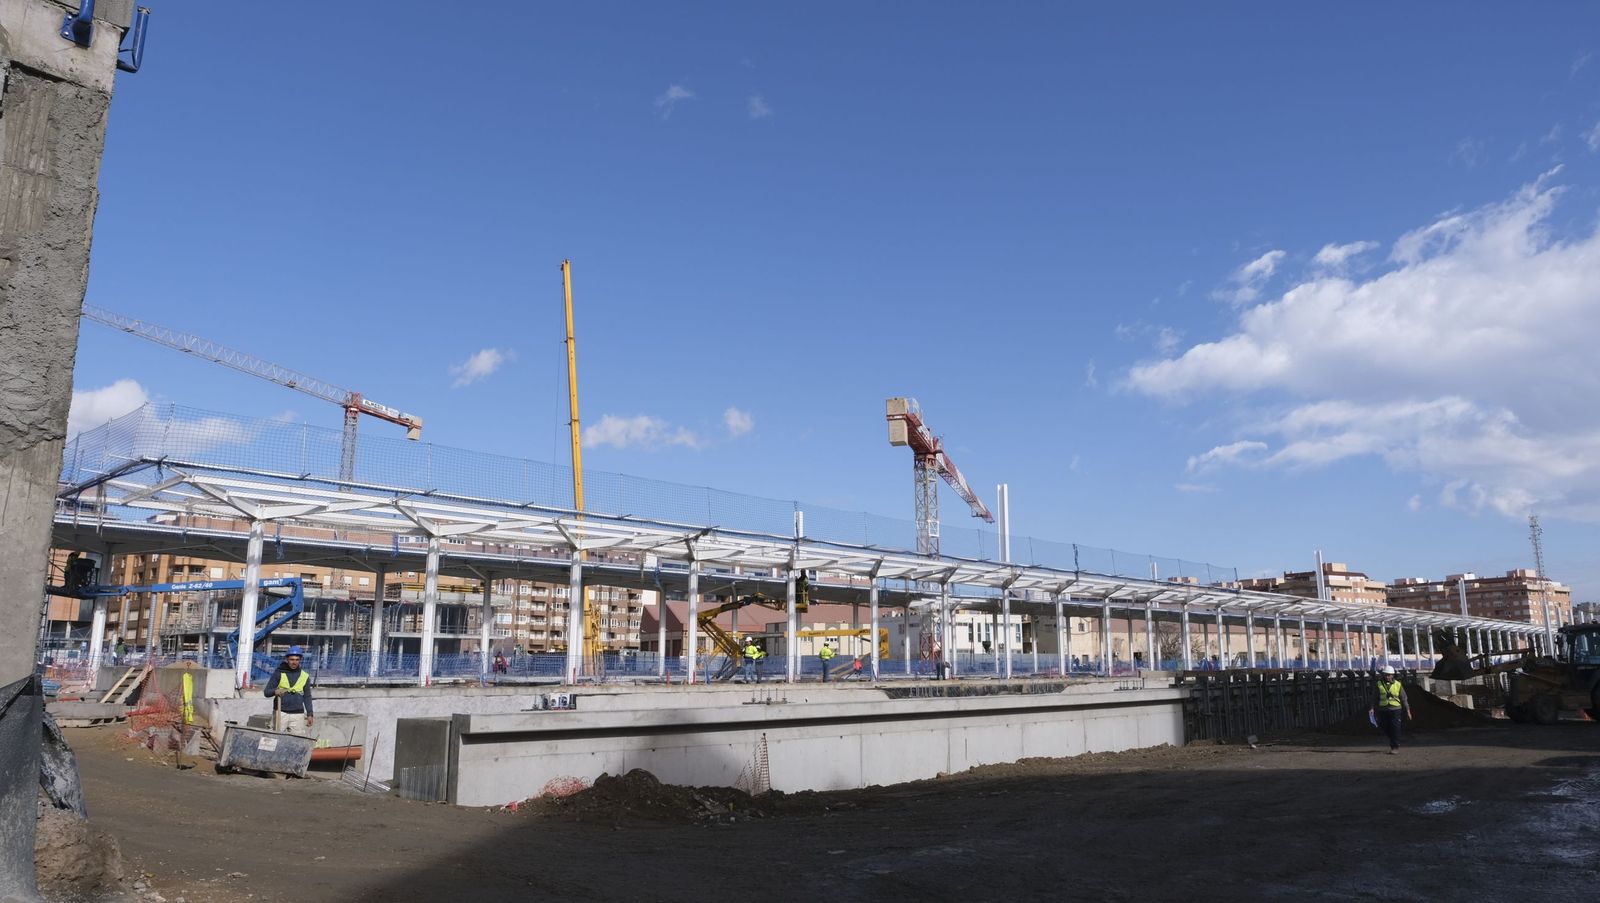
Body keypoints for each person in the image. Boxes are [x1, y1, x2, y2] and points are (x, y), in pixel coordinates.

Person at [263, 645, 314, 736]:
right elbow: (266, 692)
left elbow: (307, 696)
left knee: (297, 741)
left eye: (297, 660)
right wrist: (275, 691)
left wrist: (310, 714)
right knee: (274, 738)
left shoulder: (304, 676)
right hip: (281, 712)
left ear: (300, 660)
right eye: (292, 659)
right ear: (287, 659)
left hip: (298, 714)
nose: (294, 662)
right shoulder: (279, 673)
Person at [1369, 665, 1412, 755]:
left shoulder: (1398, 684)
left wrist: (1408, 710)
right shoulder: (1379, 684)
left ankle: (1395, 747)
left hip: (1395, 709)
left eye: (1389, 675)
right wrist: (1372, 708)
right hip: (1383, 709)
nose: (1388, 676)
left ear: (1393, 675)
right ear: (1383, 675)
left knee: (1395, 728)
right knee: (1383, 726)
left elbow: (1404, 698)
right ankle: (1393, 738)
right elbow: (1374, 697)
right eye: (1386, 675)